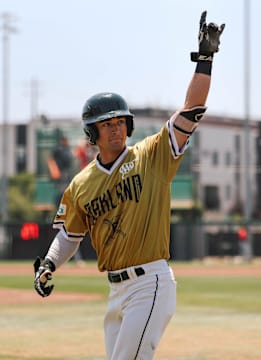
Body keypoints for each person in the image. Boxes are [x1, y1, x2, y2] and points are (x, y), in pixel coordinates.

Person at [33, 11, 225, 360]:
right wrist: (48, 263)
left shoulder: (151, 155)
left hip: (150, 283)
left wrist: (205, 60)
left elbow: (191, 109)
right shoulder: (81, 184)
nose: (116, 129)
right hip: (116, 291)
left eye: (121, 122)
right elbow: (69, 236)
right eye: (106, 125)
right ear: (92, 134)